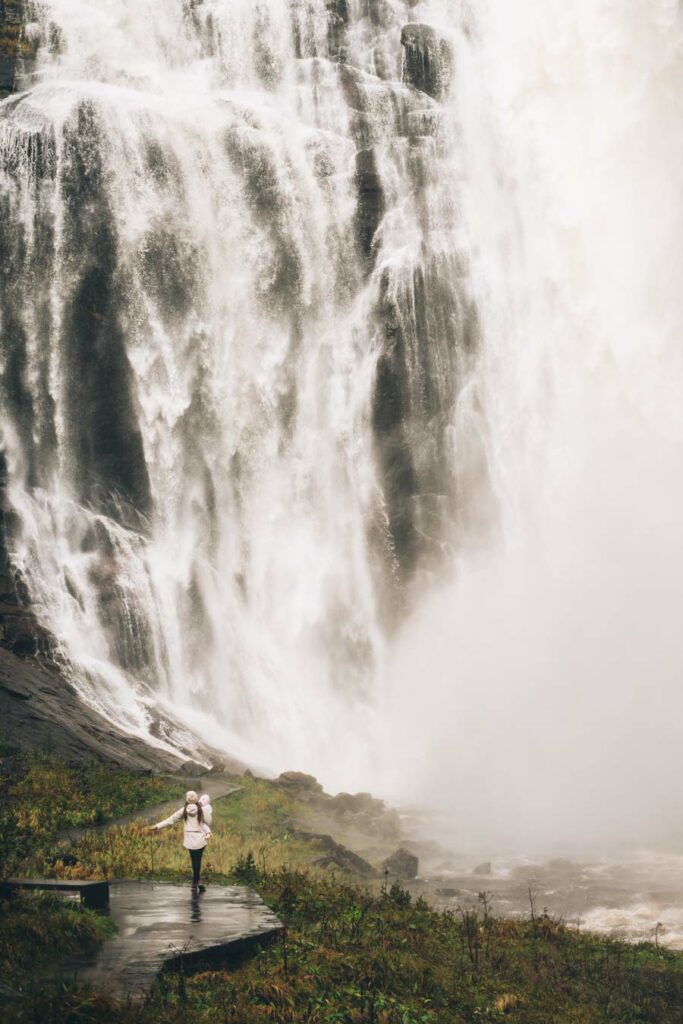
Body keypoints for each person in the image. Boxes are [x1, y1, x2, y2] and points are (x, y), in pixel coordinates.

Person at [149, 790, 212, 893]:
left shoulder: (184, 810)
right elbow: (209, 822)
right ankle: (196, 882)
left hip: (190, 840)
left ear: (187, 799)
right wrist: (206, 813)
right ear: (196, 799)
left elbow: (171, 820)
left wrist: (157, 826)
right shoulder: (201, 809)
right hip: (200, 839)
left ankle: (195, 882)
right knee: (198, 861)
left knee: (193, 861)